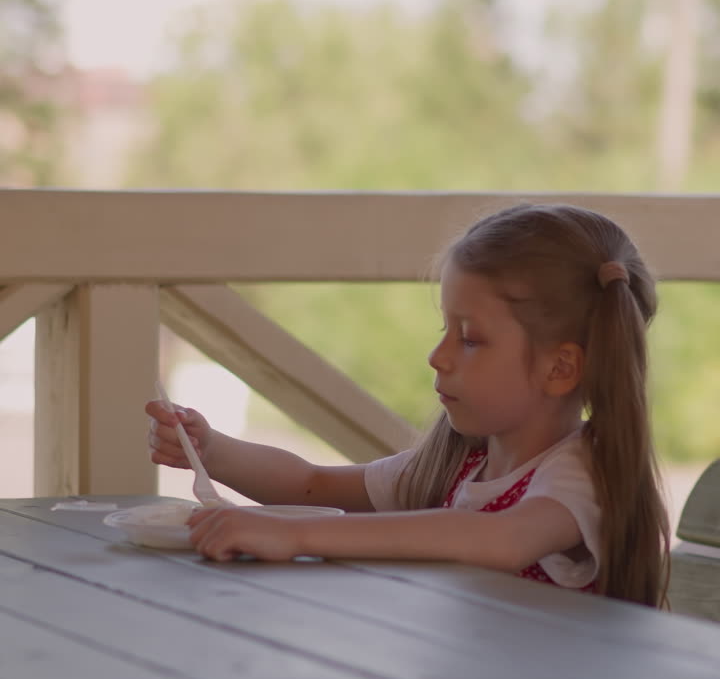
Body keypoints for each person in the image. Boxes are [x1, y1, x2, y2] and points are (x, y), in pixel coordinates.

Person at [146, 202, 670, 607]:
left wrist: (296, 533)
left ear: (560, 368)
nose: (438, 357)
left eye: (470, 339)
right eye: (446, 330)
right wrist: (212, 451)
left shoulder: (579, 472)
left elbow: (502, 540)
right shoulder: (461, 464)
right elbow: (313, 484)